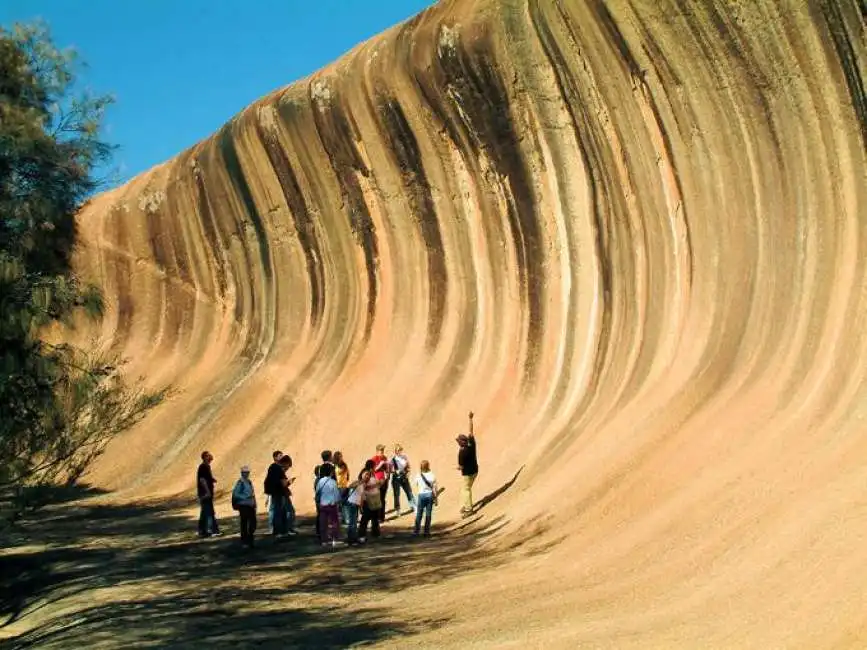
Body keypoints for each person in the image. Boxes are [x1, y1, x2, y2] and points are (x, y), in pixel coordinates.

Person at [456, 411, 478, 517]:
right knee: (466, 489)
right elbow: (471, 430)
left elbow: (461, 467)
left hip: (468, 473)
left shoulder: (461, 453)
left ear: (461, 442)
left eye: (458, 441)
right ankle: (466, 505)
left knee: (466, 489)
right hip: (475, 470)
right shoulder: (472, 443)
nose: (457, 442)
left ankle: (469, 509)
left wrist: (458, 468)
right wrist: (470, 419)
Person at [315, 464, 342, 547]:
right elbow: (337, 494)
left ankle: (324, 541)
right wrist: (339, 502)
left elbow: (317, 492)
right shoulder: (333, 482)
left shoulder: (320, 481)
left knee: (323, 523)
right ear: (331, 472)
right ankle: (334, 540)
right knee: (334, 523)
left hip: (323, 505)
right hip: (332, 505)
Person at [197, 451, 221, 537]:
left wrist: (212, 479)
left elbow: (206, 478)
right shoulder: (203, 467)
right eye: (207, 456)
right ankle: (210, 530)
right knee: (209, 512)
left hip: (206, 493)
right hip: (205, 493)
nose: (209, 457)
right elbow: (202, 480)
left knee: (205, 512)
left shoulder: (207, 466)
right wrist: (207, 492)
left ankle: (202, 531)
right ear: (204, 457)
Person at [232, 466, 257, 547]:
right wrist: (246, 497)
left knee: (252, 523)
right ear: (242, 473)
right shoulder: (240, 482)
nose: (246, 474)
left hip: (250, 506)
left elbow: (252, 494)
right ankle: (245, 542)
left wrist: (254, 503)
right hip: (243, 506)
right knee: (244, 524)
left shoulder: (249, 482)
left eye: (247, 472)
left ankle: (250, 540)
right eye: (245, 472)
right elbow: (235, 494)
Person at [357, 461, 382, 541]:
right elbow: (363, 486)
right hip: (368, 499)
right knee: (366, 518)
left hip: (373, 499)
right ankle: (362, 535)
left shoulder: (370, 473)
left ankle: (375, 533)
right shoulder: (366, 474)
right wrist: (376, 484)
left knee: (374, 517)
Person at [413, 460, 438, 537]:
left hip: (421, 495)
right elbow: (435, 487)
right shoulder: (432, 475)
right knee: (428, 514)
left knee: (419, 514)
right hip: (430, 495)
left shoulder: (418, 475)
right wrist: (436, 498)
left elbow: (415, 484)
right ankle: (426, 532)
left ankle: (416, 531)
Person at [313, 450, 333, 541]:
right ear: (329, 457)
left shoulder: (320, 468)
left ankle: (320, 533)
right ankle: (325, 535)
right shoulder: (330, 467)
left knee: (321, 514)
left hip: (320, 494)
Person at [390, 444, 416, 515]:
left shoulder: (404, 457)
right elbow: (390, 470)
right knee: (397, 494)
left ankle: (413, 505)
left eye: (400, 450)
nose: (399, 451)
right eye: (398, 450)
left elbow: (408, 466)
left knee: (409, 491)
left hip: (404, 476)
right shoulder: (392, 459)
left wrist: (408, 472)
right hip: (396, 478)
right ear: (395, 451)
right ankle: (398, 509)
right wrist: (395, 471)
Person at [370, 444, 390, 522]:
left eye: (383, 450)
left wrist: (388, 472)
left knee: (382, 499)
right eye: (381, 450)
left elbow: (387, 469)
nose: (382, 452)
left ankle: (382, 517)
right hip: (377, 481)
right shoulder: (374, 459)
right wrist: (380, 464)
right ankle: (376, 517)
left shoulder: (385, 458)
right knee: (377, 499)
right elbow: (373, 470)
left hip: (384, 480)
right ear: (377, 451)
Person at [266, 450, 283, 532]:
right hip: (275, 491)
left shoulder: (277, 467)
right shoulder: (274, 467)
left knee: (275, 509)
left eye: (282, 455)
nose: (281, 457)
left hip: (277, 491)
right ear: (275, 457)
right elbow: (271, 480)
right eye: (280, 455)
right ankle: (273, 528)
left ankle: (275, 527)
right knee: (274, 510)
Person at [345, 473, 364, 545]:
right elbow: (350, 486)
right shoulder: (359, 483)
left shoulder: (360, 484)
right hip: (353, 503)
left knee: (352, 522)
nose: (367, 477)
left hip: (353, 503)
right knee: (353, 522)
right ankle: (352, 539)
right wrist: (361, 508)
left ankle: (351, 539)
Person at [333, 451, 351, 525]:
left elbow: (347, 474)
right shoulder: (335, 466)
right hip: (338, 487)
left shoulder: (342, 466)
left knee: (344, 504)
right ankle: (342, 519)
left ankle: (345, 519)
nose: (341, 458)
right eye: (339, 457)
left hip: (343, 487)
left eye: (341, 457)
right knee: (340, 504)